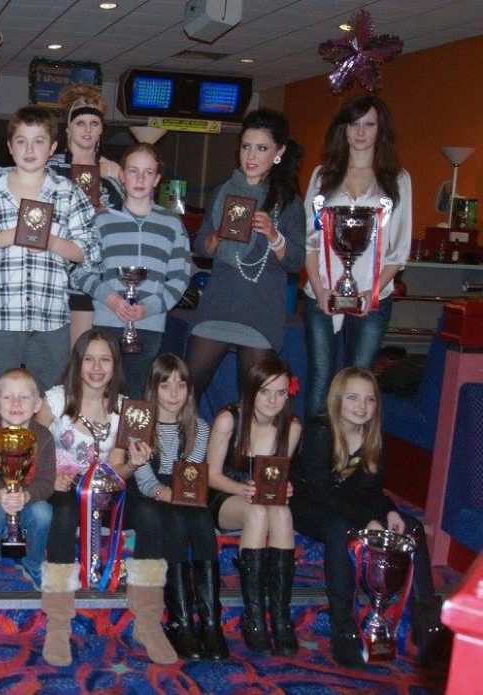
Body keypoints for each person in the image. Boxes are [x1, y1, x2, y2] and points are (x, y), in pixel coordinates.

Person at [291, 368, 451, 668]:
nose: (362, 406)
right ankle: (344, 630)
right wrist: (366, 521)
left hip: (347, 505)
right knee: (341, 529)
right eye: (353, 398)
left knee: (412, 526)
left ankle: (426, 620)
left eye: (370, 399)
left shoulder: (372, 436)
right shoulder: (320, 430)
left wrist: (388, 510)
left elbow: (372, 492)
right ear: (337, 400)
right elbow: (321, 491)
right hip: (306, 504)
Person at [34, 330, 175, 666]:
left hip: (106, 494)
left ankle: (147, 620)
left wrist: (132, 464)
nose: (96, 368)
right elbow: (33, 450)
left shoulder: (126, 409)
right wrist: (51, 476)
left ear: (116, 365)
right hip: (62, 491)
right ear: (77, 362)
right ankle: (58, 621)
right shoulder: (55, 400)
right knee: (65, 514)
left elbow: (116, 472)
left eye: (105, 359)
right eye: (89, 359)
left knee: (151, 515)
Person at [0, 105, 101, 419]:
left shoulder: (69, 193)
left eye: (38, 141)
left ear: (52, 148)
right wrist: (6, 236)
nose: (29, 149)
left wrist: (52, 242)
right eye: (21, 141)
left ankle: (39, 467)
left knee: (47, 407)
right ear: (10, 147)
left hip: (51, 320)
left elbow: (91, 248)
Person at [302, 96, 412, 419]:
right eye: (354, 124)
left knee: (359, 383)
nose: (361, 132)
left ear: (381, 130)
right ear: (344, 129)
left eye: (369, 124)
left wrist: (371, 291)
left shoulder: (398, 180)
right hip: (320, 294)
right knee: (320, 379)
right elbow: (311, 240)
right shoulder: (323, 176)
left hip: (372, 297)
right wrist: (320, 289)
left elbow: (399, 251)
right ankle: (315, 463)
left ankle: (352, 464)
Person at [185, 109, 306, 403]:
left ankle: (246, 450)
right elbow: (203, 248)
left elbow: (296, 262)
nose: (251, 156)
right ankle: (176, 448)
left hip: (260, 311)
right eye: (246, 146)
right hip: (219, 303)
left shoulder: (289, 202)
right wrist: (218, 236)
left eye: (261, 148)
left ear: (279, 152)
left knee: (255, 405)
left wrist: (274, 235)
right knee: (185, 393)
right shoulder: (222, 192)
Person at [126, 354, 226, 662]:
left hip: (182, 488)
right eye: (165, 385)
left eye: (181, 385)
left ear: (189, 390)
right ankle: (179, 618)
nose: (173, 393)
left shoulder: (199, 427)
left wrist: (183, 495)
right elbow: (143, 477)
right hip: (146, 490)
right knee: (174, 520)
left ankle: (210, 622)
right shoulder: (139, 423)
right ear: (152, 389)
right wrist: (162, 491)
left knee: (200, 521)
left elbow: (192, 473)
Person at [72, 144, 193, 397]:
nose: (140, 179)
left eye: (148, 173)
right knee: (99, 393)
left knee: (137, 394)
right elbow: (80, 272)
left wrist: (149, 307)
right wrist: (111, 299)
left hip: (149, 323)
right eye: (133, 171)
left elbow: (180, 277)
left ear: (157, 179)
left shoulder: (172, 224)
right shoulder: (101, 221)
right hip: (107, 319)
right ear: (122, 176)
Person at [206, 356, 302, 655]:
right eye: (265, 391)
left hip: (262, 499)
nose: (273, 400)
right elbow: (210, 475)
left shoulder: (292, 426)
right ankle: (255, 616)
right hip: (224, 494)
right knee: (258, 511)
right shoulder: (228, 419)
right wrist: (242, 489)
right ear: (251, 390)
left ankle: (282, 617)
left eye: (281, 393)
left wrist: (286, 486)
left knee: (282, 512)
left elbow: (279, 475)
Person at [49, 83, 126, 348]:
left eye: (94, 123)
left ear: (102, 129)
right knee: (51, 367)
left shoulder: (115, 175)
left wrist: (104, 212)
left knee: (83, 361)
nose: (88, 129)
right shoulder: (48, 170)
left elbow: (128, 228)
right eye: (81, 122)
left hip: (94, 283)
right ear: (68, 128)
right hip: (52, 280)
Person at [0, 368, 55, 593]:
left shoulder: (44, 438)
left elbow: (47, 482)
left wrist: (27, 496)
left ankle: (33, 563)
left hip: (27, 502)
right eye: (7, 397)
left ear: (37, 405)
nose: (16, 403)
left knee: (43, 512)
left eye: (24, 397)